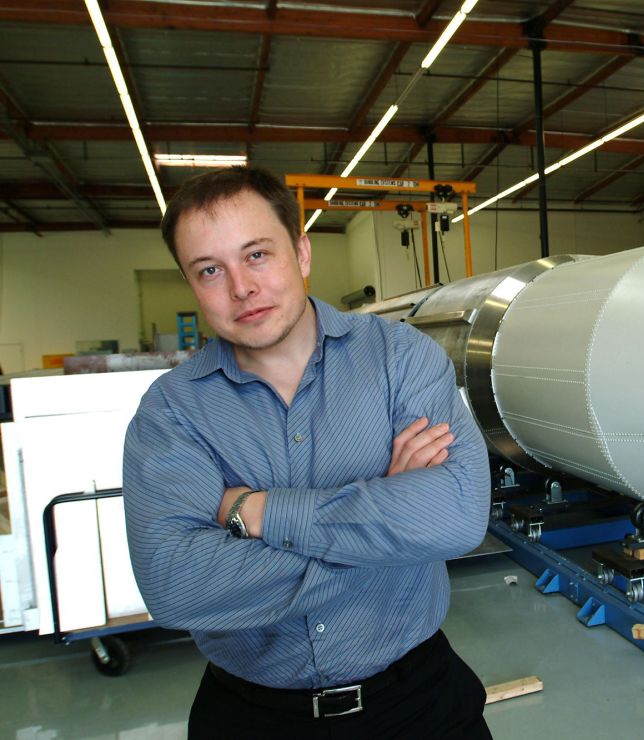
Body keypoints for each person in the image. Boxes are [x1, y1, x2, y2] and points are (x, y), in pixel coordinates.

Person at [122, 166, 492, 739]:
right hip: (253, 717)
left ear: (301, 252)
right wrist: (388, 522)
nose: (240, 287)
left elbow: (457, 516)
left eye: (257, 255)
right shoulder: (172, 412)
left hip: (419, 703)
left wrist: (257, 513)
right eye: (210, 270)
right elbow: (175, 585)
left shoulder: (402, 360)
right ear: (191, 284)